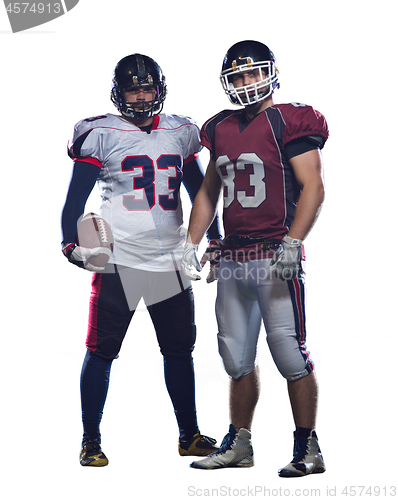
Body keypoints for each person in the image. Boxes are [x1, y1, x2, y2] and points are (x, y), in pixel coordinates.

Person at [61, 53, 222, 466]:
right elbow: (75, 197)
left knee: (179, 351)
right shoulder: (102, 133)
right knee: (101, 352)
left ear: (159, 89)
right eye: (133, 87)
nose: (141, 95)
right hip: (119, 261)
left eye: (147, 86)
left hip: (169, 260)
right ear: (119, 92)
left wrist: (216, 237)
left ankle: (189, 435)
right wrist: (68, 242)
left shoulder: (181, 131)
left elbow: (200, 191)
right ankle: (90, 441)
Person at [181, 40, 329, 477]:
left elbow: (314, 187)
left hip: (273, 255)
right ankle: (239, 444)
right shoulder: (221, 127)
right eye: (238, 76)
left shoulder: (290, 120)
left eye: (253, 74)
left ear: (271, 73)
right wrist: (191, 242)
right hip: (232, 257)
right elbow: (210, 191)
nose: (246, 83)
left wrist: (293, 242)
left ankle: (309, 448)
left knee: (289, 354)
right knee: (235, 357)